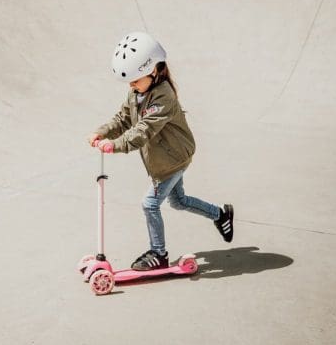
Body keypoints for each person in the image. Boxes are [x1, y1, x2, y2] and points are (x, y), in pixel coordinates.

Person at [88, 32, 234, 271]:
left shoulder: (163, 97)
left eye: (135, 80)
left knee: (150, 204)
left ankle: (159, 253)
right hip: (165, 158)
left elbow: (143, 130)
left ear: (154, 71)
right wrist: (102, 132)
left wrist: (115, 145)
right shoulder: (137, 92)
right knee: (179, 201)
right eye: (130, 82)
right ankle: (220, 214)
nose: (131, 85)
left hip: (173, 159)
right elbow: (124, 118)